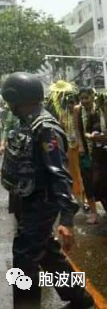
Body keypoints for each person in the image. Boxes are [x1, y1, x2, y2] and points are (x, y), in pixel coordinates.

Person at [0, 72, 94, 309]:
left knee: (24, 258)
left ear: (17, 98)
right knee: (46, 252)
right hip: (29, 200)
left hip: (43, 202)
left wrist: (67, 219)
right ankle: (81, 299)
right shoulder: (28, 123)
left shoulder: (45, 128)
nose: (8, 105)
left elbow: (59, 173)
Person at [73, 87, 98, 224]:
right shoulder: (77, 109)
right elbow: (77, 129)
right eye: (81, 98)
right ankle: (93, 213)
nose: (84, 101)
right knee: (88, 181)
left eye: (86, 98)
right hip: (85, 151)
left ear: (92, 96)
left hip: (100, 149)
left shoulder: (100, 107)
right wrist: (81, 145)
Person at [59, 94, 84, 206]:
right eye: (68, 103)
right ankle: (76, 193)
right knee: (72, 171)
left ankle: (85, 194)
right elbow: (60, 130)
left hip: (80, 146)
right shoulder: (63, 115)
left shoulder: (80, 113)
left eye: (72, 102)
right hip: (69, 146)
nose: (70, 105)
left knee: (81, 170)